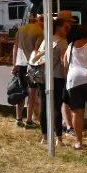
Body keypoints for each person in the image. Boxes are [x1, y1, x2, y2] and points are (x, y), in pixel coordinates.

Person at [32, 11, 74, 145]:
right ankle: (59, 138)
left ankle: (45, 137)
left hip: (42, 76)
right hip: (56, 77)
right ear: (58, 27)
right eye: (66, 27)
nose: (68, 30)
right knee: (56, 106)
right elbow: (64, 63)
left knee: (44, 106)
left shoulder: (46, 39)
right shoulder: (62, 42)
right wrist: (66, 77)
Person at [13, 10, 43, 128]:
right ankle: (29, 119)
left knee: (21, 91)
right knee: (32, 92)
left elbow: (15, 47)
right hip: (32, 65)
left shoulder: (21, 29)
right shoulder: (40, 32)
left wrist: (14, 64)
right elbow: (37, 51)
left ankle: (18, 118)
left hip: (20, 63)